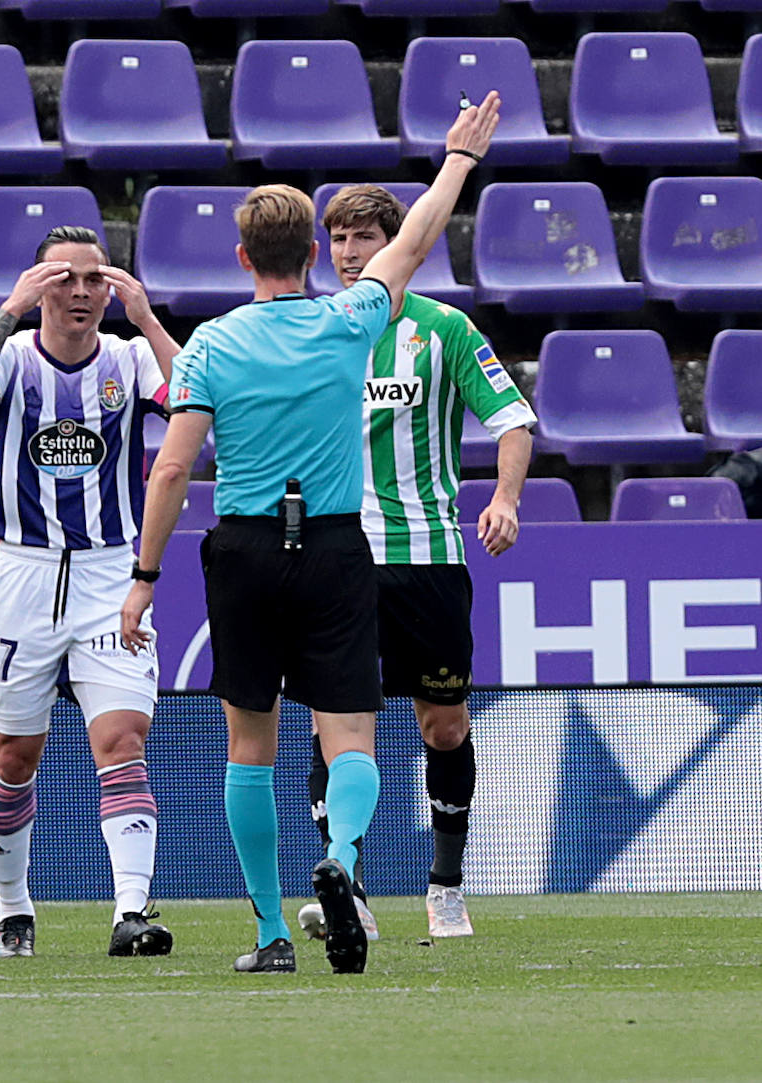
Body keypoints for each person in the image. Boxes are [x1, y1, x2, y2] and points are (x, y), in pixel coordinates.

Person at [122, 93, 501, 976]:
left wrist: (146, 574)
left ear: (247, 255)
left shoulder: (213, 342)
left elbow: (173, 469)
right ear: (311, 256)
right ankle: (347, 859)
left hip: (246, 550)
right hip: (334, 545)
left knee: (250, 750)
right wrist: (457, 159)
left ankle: (269, 935)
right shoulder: (350, 321)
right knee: (353, 739)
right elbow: (412, 243)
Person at [298, 185, 536, 943]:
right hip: (339, 558)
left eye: (363, 237)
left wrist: (505, 498)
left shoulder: (443, 330)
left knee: (443, 724)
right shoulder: (315, 330)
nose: (348, 253)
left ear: (398, 244)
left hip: (428, 557)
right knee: (337, 725)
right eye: (337, 240)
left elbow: (511, 419)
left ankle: (446, 886)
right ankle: (351, 887)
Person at [0, 226, 180, 960]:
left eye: (93, 279)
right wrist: (7, 311)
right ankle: (14, 908)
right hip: (22, 571)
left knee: (122, 740)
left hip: (112, 571)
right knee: (14, 754)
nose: (79, 292)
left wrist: (147, 318)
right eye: (63, 278)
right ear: (39, 286)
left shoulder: (131, 358)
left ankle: (131, 912)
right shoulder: (11, 358)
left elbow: (206, 407)